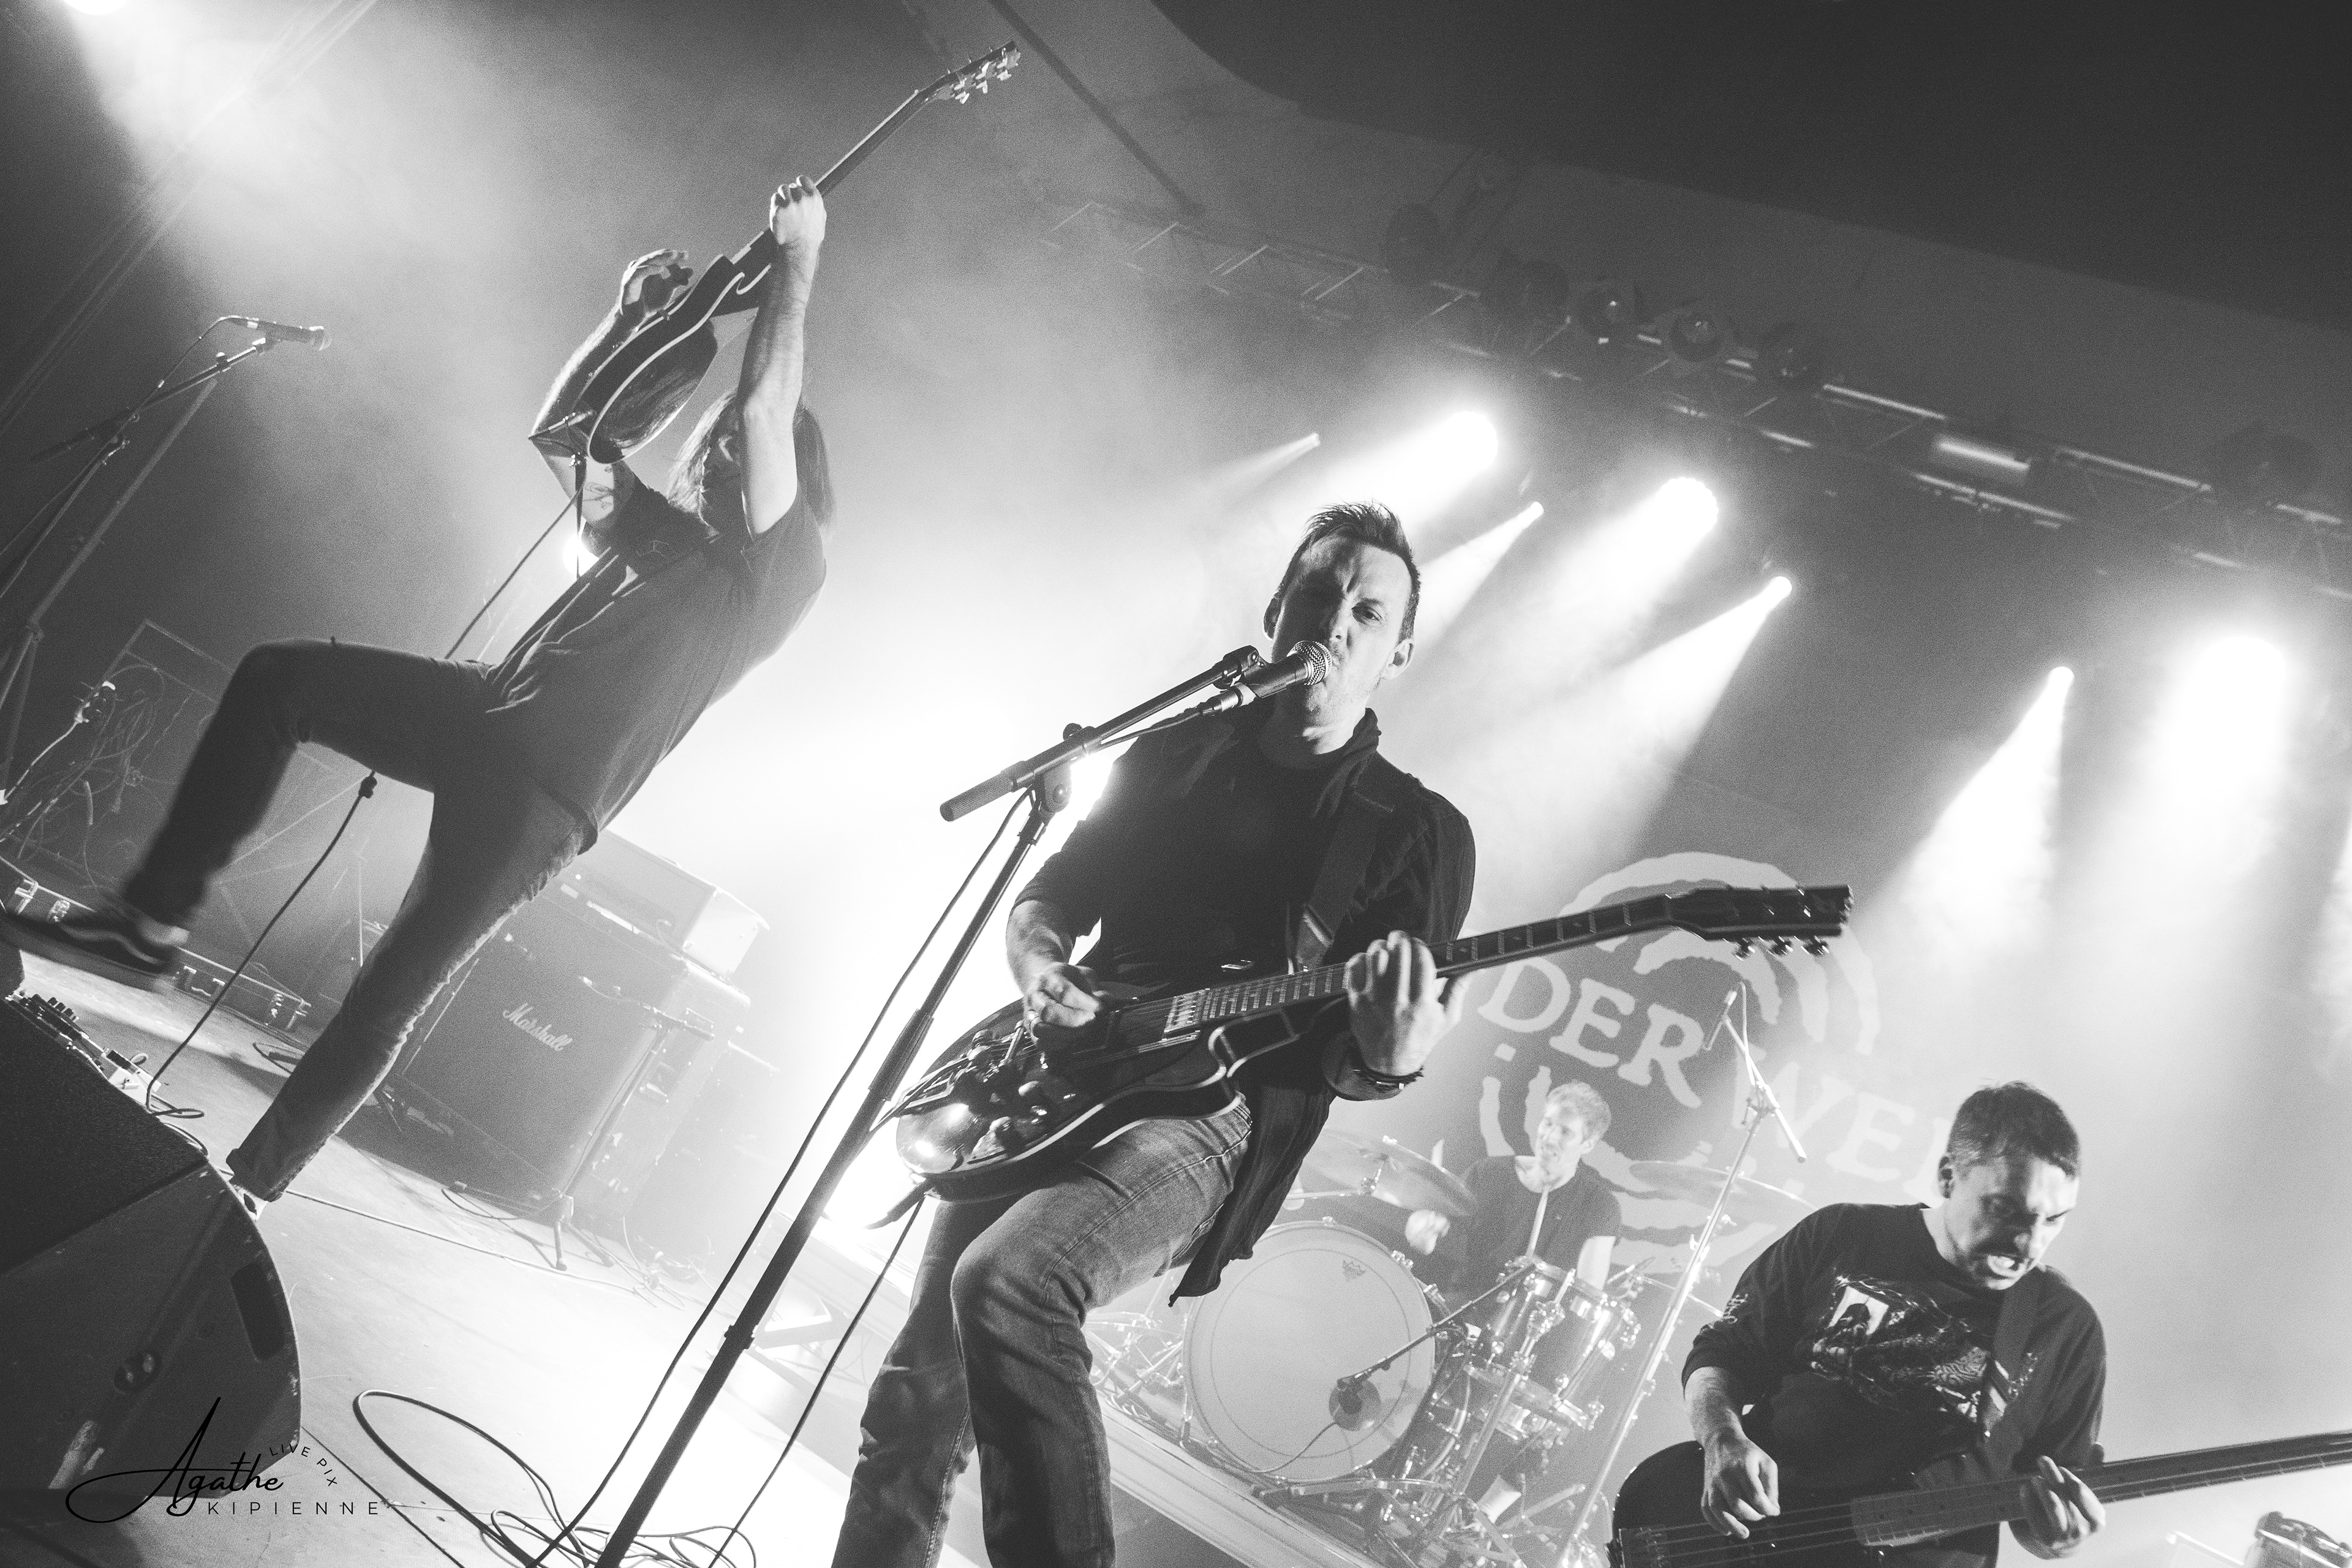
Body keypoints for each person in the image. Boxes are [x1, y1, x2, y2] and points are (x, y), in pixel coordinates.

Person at [0, 179, 834, 1210]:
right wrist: (626, 325)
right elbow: (567, 435)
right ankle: (150, 924)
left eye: (729, 448)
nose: (712, 451)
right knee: (279, 678)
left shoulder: (781, 570)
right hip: (486, 711)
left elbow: (763, 407)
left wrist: (799, 261)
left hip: (544, 799)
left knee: (388, 991)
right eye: (708, 444)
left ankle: (249, 1186)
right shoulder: (664, 536)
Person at [831, 502, 1478, 1568]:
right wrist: (1040, 974)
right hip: (1064, 1068)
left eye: (1368, 613)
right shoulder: (1179, 751)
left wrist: (1398, 1049)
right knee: (919, 1392)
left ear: (1397, 654)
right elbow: (1055, 894)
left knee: (1011, 1282)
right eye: (1317, 596)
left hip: (1214, 1117)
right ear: (1274, 612)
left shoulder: (1415, 832)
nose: (1335, 623)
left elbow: (1362, 1064)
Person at [1682, 1081, 2107, 1560]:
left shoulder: (2064, 1327)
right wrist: (1721, 1438)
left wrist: (2060, 1540)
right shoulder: (1841, 1233)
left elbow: (2044, 1511)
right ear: (1948, 1177)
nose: (2029, 1244)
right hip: (1755, 1540)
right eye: (2005, 1209)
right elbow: (1723, 1353)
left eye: (2053, 1220)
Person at [1406, 1077, 1621, 1301]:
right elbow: (1432, 1232)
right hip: (1462, 1303)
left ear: (1588, 1144)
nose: (1549, 1138)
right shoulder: (1490, 1173)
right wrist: (1421, 1230)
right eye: (1548, 1123)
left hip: (1530, 1318)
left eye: (1565, 1132)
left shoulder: (1599, 1206)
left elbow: (1588, 1293)